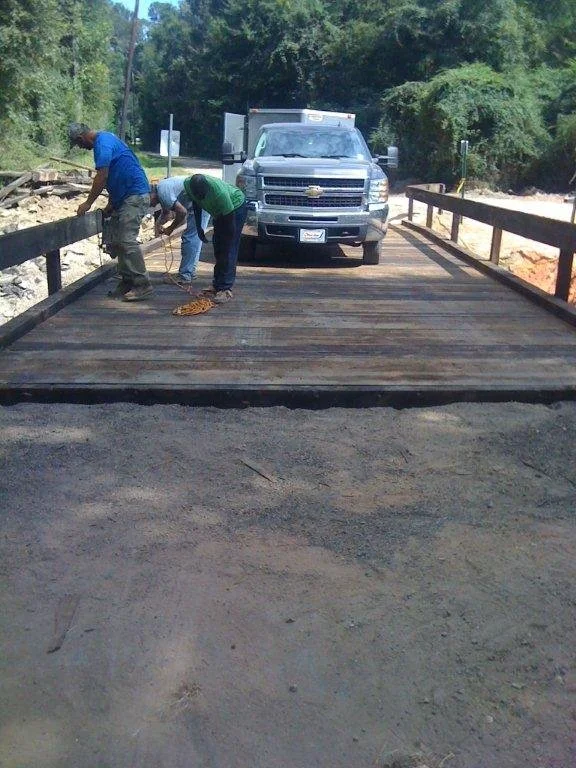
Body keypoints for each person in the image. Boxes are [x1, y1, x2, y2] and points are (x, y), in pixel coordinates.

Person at [68, 123, 153, 302]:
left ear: (81, 139)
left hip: (135, 195)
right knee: (116, 240)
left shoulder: (102, 143)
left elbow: (103, 175)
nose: (81, 148)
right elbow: (117, 175)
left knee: (126, 239)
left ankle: (142, 283)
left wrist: (88, 203)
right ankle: (128, 281)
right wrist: (111, 204)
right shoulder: (107, 140)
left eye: (79, 144)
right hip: (125, 197)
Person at [181, 174, 247, 304]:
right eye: (198, 195)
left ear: (207, 189)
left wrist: (227, 244)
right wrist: (199, 228)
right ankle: (217, 285)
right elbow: (197, 204)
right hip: (218, 212)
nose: (201, 198)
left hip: (235, 207)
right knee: (217, 247)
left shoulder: (220, 194)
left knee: (228, 248)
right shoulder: (188, 184)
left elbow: (229, 225)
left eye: (203, 195)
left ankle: (226, 288)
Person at [150, 177, 210, 286]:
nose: (151, 205)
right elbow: (166, 213)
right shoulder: (162, 189)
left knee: (190, 238)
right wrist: (158, 225)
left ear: (151, 194)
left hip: (200, 202)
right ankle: (190, 272)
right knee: (195, 237)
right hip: (199, 201)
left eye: (150, 202)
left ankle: (185, 275)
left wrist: (171, 228)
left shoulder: (163, 193)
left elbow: (182, 212)